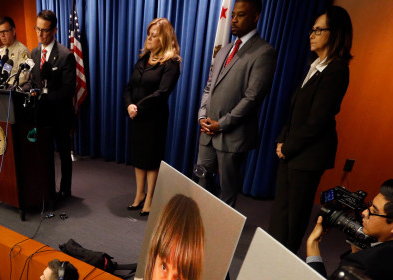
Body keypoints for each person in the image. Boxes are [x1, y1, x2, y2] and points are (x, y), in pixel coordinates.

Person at [268, 6, 353, 253]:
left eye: (318, 30)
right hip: (293, 150)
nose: (311, 34)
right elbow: (295, 113)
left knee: (293, 217)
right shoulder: (316, 65)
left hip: (307, 155)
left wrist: (289, 147)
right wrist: (281, 140)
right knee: (281, 212)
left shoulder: (337, 70)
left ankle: (282, 261)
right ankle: (272, 254)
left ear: (334, 33)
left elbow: (318, 120)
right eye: (312, 29)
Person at [195, 0, 277, 207]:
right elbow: (209, 87)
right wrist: (202, 116)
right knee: (201, 180)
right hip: (207, 132)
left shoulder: (264, 52)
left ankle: (221, 233)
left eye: (240, 15)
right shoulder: (224, 50)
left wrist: (221, 124)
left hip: (232, 137)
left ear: (256, 16)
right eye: (232, 15)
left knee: (227, 192)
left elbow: (252, 98)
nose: (233, 20)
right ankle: (200, 226)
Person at [124, 19, 181, 215]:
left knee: (151, 159)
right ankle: (139, 194)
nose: (149, 38)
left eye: (154, 35)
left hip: (154, 118)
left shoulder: (171, 63)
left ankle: (150, 198)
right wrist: (129, 105)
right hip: (137, 117)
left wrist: (138, 108)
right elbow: (129, 87)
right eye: (148, 34)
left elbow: (163, 92)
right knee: (139, 157)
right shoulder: (143, 59)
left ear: (164, 38)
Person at [28, 10, 76, 197]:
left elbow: (68, 90)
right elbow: (33, 81)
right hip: (41, 116)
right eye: (37, 29)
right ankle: (47, 188)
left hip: (60, 115)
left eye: (45, 30)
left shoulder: (65, 55)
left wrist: (46, 98)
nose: (40, 34)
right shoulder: (34, 53)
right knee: (44, 154)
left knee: (64, 154)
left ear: (54, 30)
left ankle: (65, 190)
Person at [0, 17, 31, 84]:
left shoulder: (23, 51)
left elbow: (24, 76)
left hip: (14, 91)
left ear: (13, 31)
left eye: (5, 31)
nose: (2, 35)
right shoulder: (0, 52)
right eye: (0, 32)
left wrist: (7, 87)